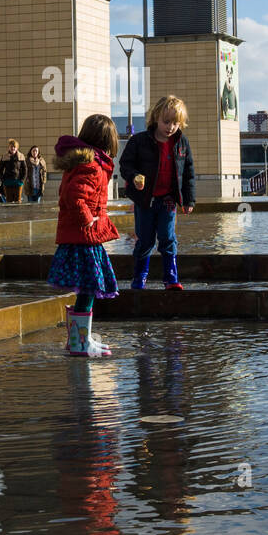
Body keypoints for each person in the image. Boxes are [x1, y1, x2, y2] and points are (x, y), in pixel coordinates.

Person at [48, 114, 120, 357]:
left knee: (87, 288)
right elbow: (74, 197)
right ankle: (80, 343)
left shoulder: (84, 163)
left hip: (83, 237)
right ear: (108, 141)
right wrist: (88, 219)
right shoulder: (92, 167)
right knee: (89, 287)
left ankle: (81, 339)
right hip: (84, 238)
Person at [119, 94, 195, 290]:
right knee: (144, 239)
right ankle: (139, 277)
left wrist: (189, 200)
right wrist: (134, 176)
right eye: (166, 121)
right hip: (145, 200)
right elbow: (125, 164)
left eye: (175, 123)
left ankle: (171, 277)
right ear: (155, 118)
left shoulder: (182, 143)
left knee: (168, 238)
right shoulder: (140, 141)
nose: (170, 127)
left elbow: (188, 172)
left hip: (168, 200)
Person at [0, 139, 27, 204]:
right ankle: (9, 214)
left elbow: (25, 169)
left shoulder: (21, 156)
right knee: (9, 201)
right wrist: (3, 180)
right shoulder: (5, 156)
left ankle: (17, 214)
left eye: (14, 147)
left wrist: (22, 180)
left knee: (18, 201)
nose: (13, 148)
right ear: (9, 147)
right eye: (11, 146)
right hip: (7, 182)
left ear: (17, 148)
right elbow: (0, 170)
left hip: (18, 182)